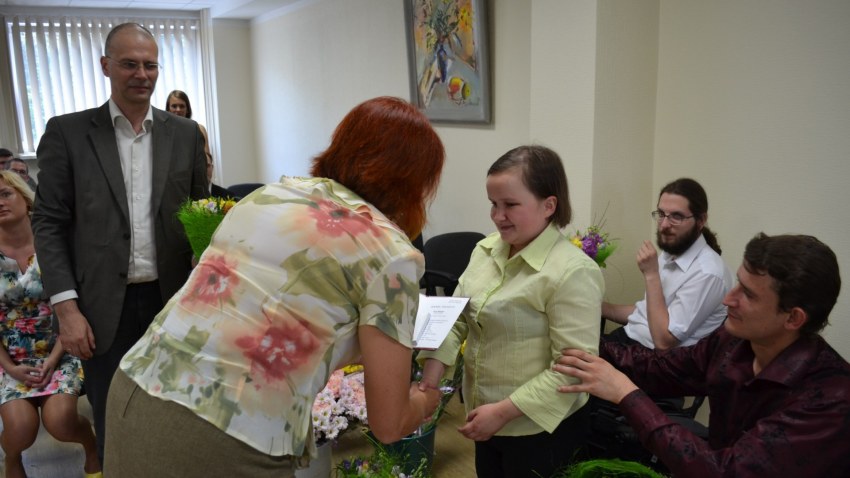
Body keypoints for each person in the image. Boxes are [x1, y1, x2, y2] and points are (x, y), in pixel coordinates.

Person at [103, 96, 445, 477]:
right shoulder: (392, 254)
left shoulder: (270, 196)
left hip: (137, 384)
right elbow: (388, 422)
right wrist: (424, 400)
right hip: (229, 429)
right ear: (415, 184)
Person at [31, 22, 208, 464]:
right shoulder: (68, 133)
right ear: (106, 66)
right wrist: (67, 310)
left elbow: (199, 219)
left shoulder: (185, 134)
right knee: (117, 425)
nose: (141, 74)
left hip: (172, 306)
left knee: (177, 420)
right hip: (101, 311)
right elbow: (48, 223)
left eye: (150, 65)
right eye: (129, 64)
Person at [555, 233, 850, 477]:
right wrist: (584, 341)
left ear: (793, 318)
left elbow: (724, 471)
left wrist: (625, 393)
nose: (728, 299)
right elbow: (662, 368)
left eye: (748, 294)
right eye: (738, 283)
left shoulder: (831, 400)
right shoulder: (733, 342)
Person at [419, 145, 605, 478]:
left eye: (510, 205)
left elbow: (573, 370)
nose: (497, 216)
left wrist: (503, 412)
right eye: (493, 204)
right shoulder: (486, 250)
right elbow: (455, 317)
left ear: (549, 205)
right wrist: (430, 379)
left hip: (539, 430)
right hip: (485, 416)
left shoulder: (572, 271)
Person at [0, 171, 101, 478]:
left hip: (61, 346)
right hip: (9, 358)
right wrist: (10, 367)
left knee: (61, 423)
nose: (0, 203)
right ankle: (12, 459)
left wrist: (55, 357)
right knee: (20, 429)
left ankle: (91, 446)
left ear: (25, 198)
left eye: (5, 194)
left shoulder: (55, 243)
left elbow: (76, 305)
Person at [602, 178, 732, 350]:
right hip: (629, 341)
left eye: (676, 216)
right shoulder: (672, 251)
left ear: (701, 220)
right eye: (661, 214)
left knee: (572, 357)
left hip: (652, 358)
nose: (664, 225)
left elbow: (664, 342)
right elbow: (645, 314)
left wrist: (651, 274)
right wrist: (599, 307)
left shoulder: (708, 273)